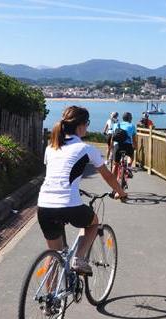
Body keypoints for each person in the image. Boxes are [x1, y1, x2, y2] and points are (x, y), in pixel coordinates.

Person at [38, 106, 127, 274]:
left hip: (44, 206)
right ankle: (79, 259)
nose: (87, 126)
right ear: (80, 126)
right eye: (87, 123)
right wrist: (120, 192)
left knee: (55, 255)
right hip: (68, 204)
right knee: (93, 223)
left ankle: (51, 298)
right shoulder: (86, 149)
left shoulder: (50, 148)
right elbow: (108, 176)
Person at [112, 112, 137, 178]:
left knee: (115, 164)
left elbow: (113, 137)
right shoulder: (132, 126)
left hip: (117, 146)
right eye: (131, 117)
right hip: (127, 146)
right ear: (129, 118)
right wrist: (135, 147)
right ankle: (128, 167)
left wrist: (112, 147)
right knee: (131, 155)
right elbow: (134, 140)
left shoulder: (116, 125)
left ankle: (113, 182)